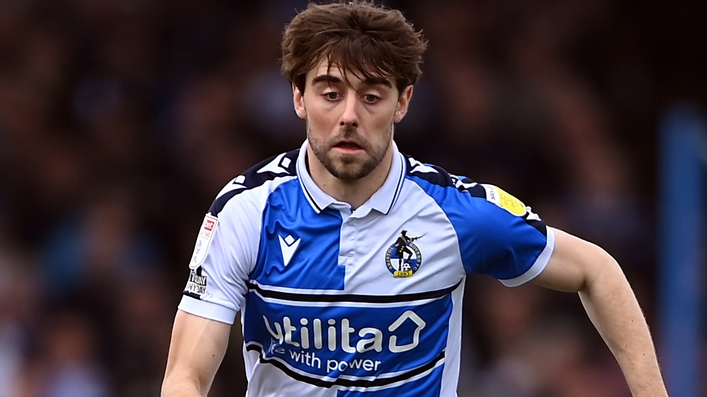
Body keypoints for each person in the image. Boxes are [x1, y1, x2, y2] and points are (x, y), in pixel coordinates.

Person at [161, 1, 669, 396]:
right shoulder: (246, 211)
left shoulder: (454, 212)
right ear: (299, 97)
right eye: (331, 92)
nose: (349, 116)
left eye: (373, 95)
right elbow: (186, 375)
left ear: (404, 101)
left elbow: (597, 270)